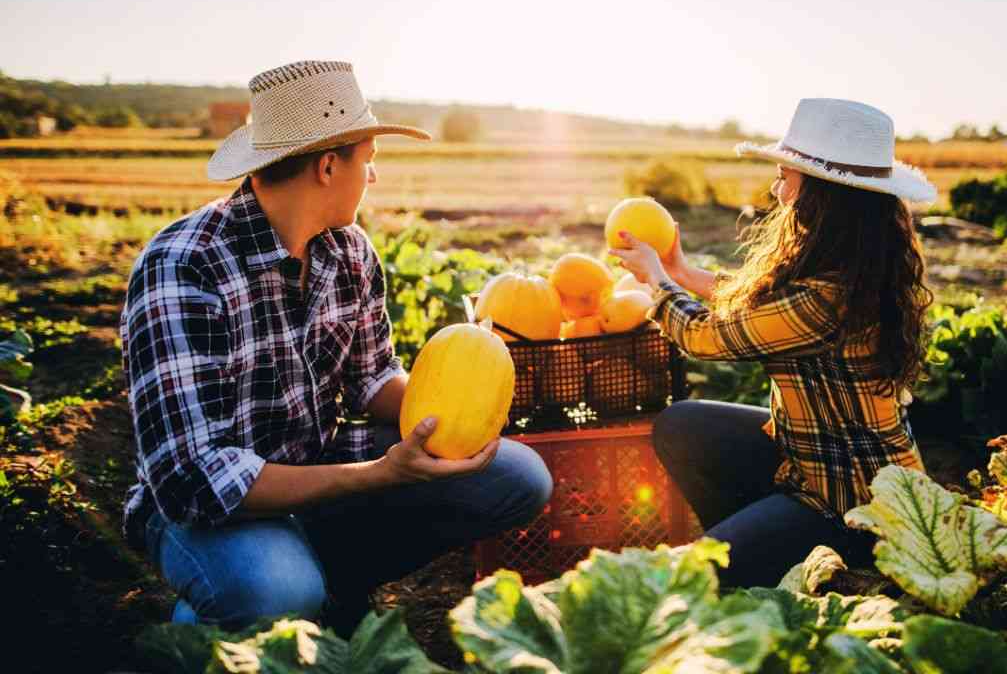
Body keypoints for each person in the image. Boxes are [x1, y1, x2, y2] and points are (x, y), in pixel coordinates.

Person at [120, 60, 552, 633]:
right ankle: (210, 628)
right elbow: (196, 480)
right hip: (211, 509)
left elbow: (373, 380)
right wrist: (381, 473)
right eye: (368, 161)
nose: (372, 178)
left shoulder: (349, 252)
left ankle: (332, 590)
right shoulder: (184, 267)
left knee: (517, 477)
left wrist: (470, 403)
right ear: (328, 166)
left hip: (314, 463)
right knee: (275, 590)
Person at [610, 98, 935, 587]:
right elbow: (766, 310)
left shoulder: (830, 299)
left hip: (854, 510)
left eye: (785, 176)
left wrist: (658, 282)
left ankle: (766, 560)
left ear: (824, 196)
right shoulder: (849, 269)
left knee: (695, 578)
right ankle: (759, 544)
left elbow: (705, 337)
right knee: (685, 425)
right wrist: (679, 273)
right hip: (813, 465)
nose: (776, 188)